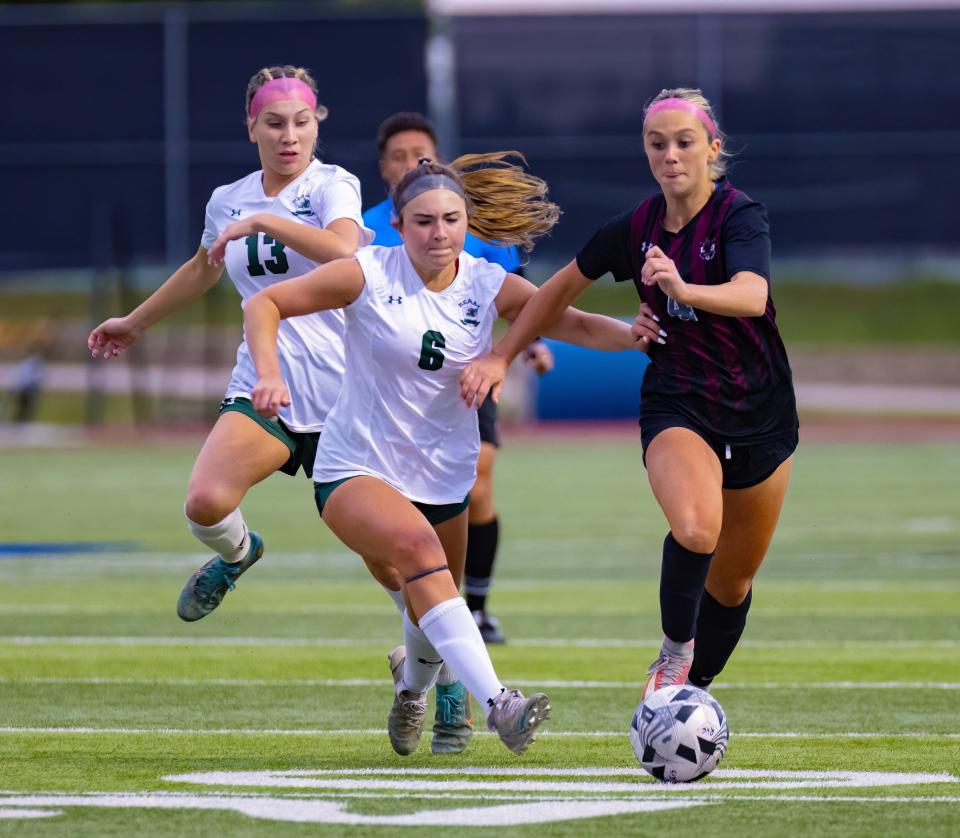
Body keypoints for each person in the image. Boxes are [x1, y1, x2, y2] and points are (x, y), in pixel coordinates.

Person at [242, 155, 643, 756]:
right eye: (424, 221)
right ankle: (501, 705)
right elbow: (263, 304)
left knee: (432, 596)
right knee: (421, 558)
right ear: (399, 224)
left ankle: (411, 690)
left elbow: (579, 325)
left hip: (443, 474)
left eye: (451, 220)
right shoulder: (366, 274)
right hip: (357, 466)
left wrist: (644, 334)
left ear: (468, 223)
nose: (439, 233)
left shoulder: (486, 283)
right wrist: (268, 376)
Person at [460, 88, 798, 698]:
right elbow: (553, 292)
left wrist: (685, 289)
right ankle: (673, 655)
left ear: (712, 149)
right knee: (697, 530)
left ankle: (692, 692)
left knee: (732, 582)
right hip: (678, 401)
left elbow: (752, 295)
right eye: (657, 143)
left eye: (684, 142)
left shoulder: (740, 216)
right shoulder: (635, 227)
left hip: (761, 409)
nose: (670, 154)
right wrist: (501, 355)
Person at [87, 66, 372, 620]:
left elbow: (343, 250)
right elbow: (203, 268)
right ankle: (240, 554)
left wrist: (268, 221)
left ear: (317, 126)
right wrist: (136, 322)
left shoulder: (333, 184)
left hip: (348, 394)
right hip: (266, 385)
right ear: (251, 128)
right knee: (206, 504)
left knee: (388, 561)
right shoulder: (228, 200)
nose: (289, 136)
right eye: (274, 124)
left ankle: (440, 672)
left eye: (301, 122)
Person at [364, 112, 553, 645]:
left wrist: (529, 345)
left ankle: (475, 607)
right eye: (399, 156)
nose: (413, 163)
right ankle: (424, 615)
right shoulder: (367, 229)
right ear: (384, 170)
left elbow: (517, 294)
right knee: (385, 534)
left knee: (477, 484)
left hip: (464, 377)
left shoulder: (465, 223)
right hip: (391, 395)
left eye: (421, 152)